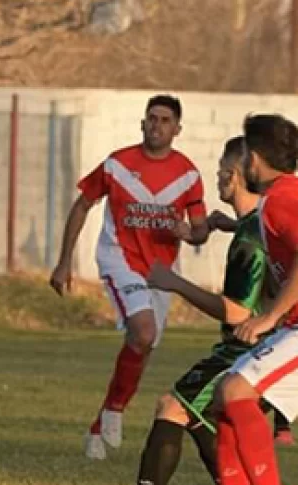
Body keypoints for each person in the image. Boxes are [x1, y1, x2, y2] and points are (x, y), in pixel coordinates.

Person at [49, 95, 211, 459]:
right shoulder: (118, 164)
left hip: (161, 271)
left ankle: (103, 418)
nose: (156, 125)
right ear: (142, 124)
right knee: (144, 332)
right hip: (120, 260)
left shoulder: (188, 173)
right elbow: (82, 204)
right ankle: (115, 411)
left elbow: (200, 230)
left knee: (143, 346)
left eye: (165, 120)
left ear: (177, 129)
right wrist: (64, 263)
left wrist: (186, 232)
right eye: (151, 118)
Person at [136, 136, 278, 485]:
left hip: (249, 348)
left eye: (219, 171)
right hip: (265, 346)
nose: (216, 178)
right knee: (201, 415)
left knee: (173, 406)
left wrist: (174, 282)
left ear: (233, 176)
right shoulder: (262, 220)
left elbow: (235, 313)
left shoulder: (248, 240)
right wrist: (226, 224)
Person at [215, 114, 298, 485]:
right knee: (225, 396)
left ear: (254, 159)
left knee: (235, 391)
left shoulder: (284, 199)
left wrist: (269, 317)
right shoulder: (276, 200)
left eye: (245, 150)